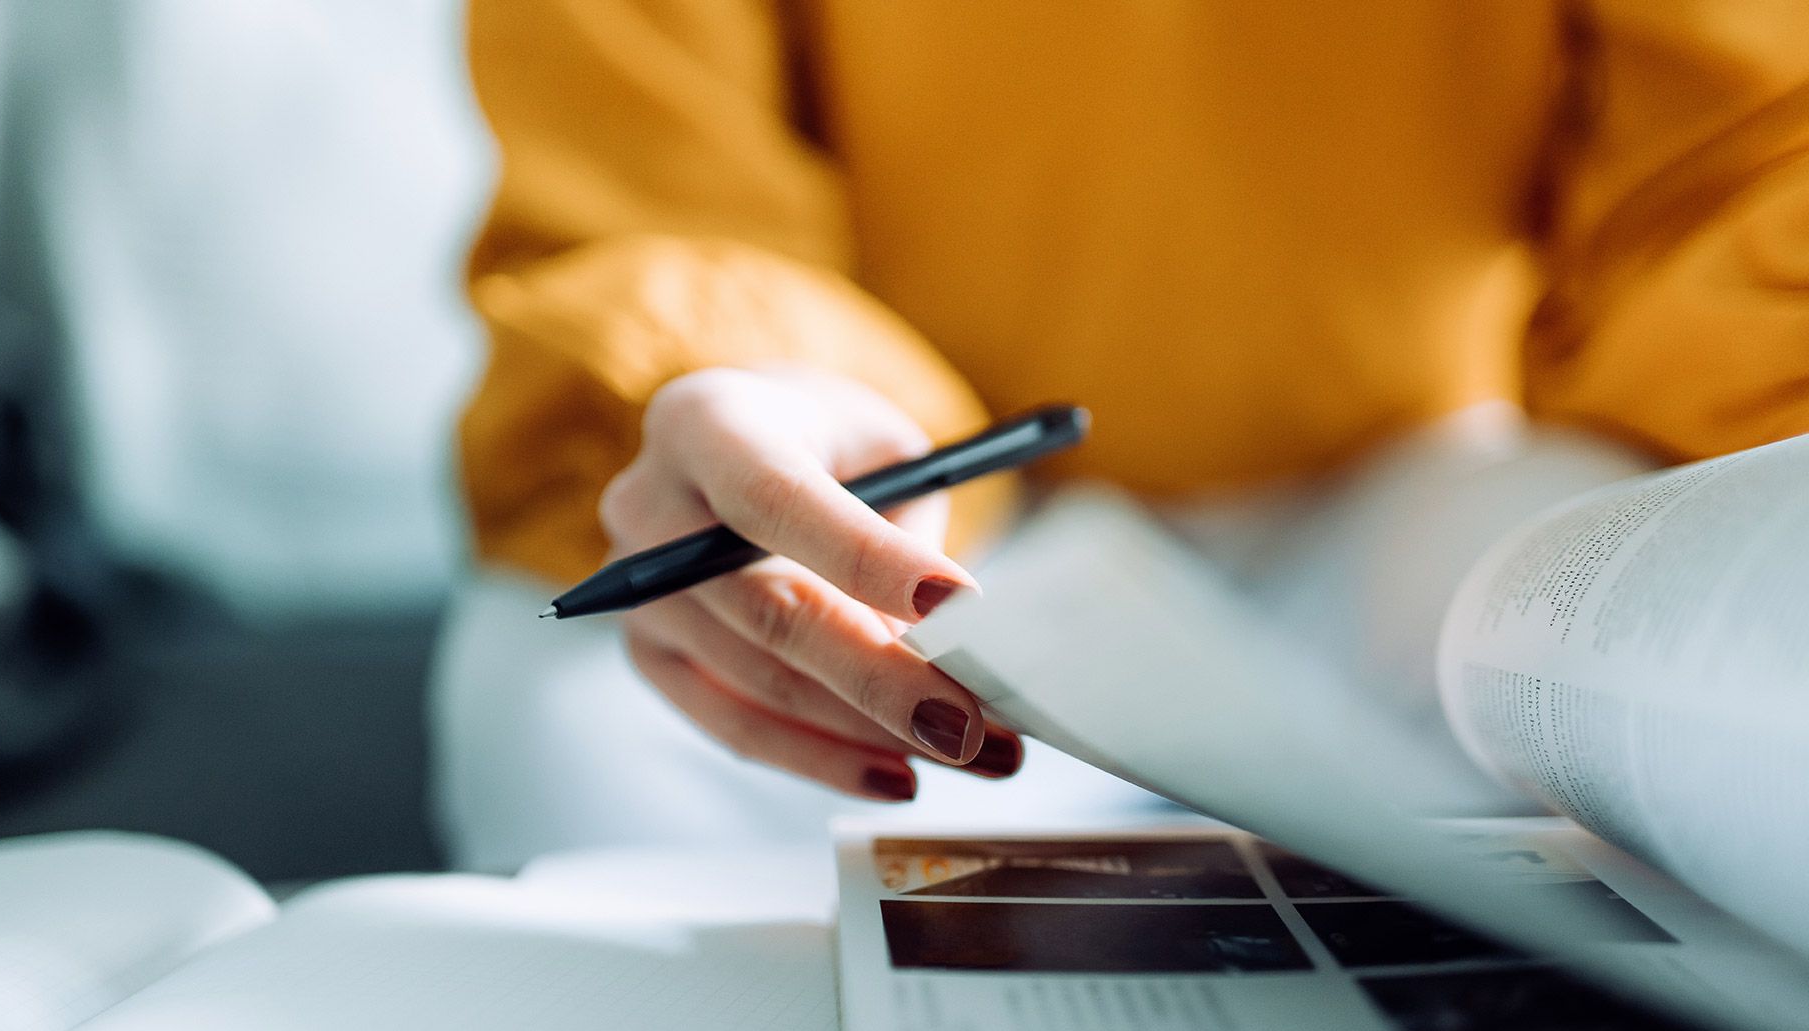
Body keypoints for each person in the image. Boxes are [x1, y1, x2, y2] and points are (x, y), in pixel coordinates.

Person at [435, 1, 1809, 872]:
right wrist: (753, 398)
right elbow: (651, 189)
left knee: (1646, 654)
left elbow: (1732, 168)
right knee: (579, 710)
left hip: (1412, 503)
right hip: (936, 526)